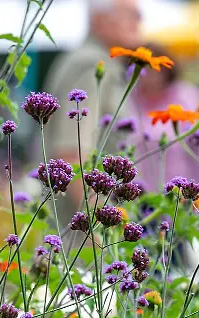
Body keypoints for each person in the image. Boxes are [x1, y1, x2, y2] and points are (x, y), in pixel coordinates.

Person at [43, 0, 142, 225]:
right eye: (131, 14)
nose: (139, 20)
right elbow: (72, 155)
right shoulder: (91, 65)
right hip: (83, 236)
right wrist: (99, 230)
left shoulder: (96, 61)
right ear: (100, 19)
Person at [126, 43, 199, 191]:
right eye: (144, 68)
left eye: (154, 68)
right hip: (139, 191)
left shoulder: (185, 95)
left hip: (180, 189)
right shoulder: (129, 98)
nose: (149, 74)